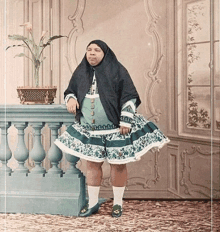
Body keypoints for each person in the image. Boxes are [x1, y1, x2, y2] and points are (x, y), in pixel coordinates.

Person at [54, 40, 169, 218]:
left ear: (105, 53)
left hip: (115, 128)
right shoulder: (80, 72)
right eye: (89, 50)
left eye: (96, 50)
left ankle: (117, 204)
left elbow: (129, 96)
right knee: (92, 165)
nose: (91, 53)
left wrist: (126, 120)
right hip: (90, 130)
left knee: (118, 166)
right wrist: (70, 98)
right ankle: (92, 203)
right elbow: (71, 90)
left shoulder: (117, 70)